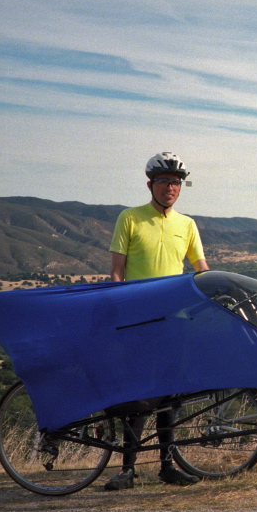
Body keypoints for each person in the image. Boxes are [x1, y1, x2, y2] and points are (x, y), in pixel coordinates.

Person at [104, 152, 210, 491]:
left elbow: (201, 270)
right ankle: (126, 470)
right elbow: (117, 272)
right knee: (138, 398)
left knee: (169, 398)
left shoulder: (187, 225)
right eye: (164, 181)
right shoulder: (130, 218)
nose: (170, 187)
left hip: (174, 321)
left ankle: (167, 467)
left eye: (176, 182)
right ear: (150, 184)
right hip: (137, 320)